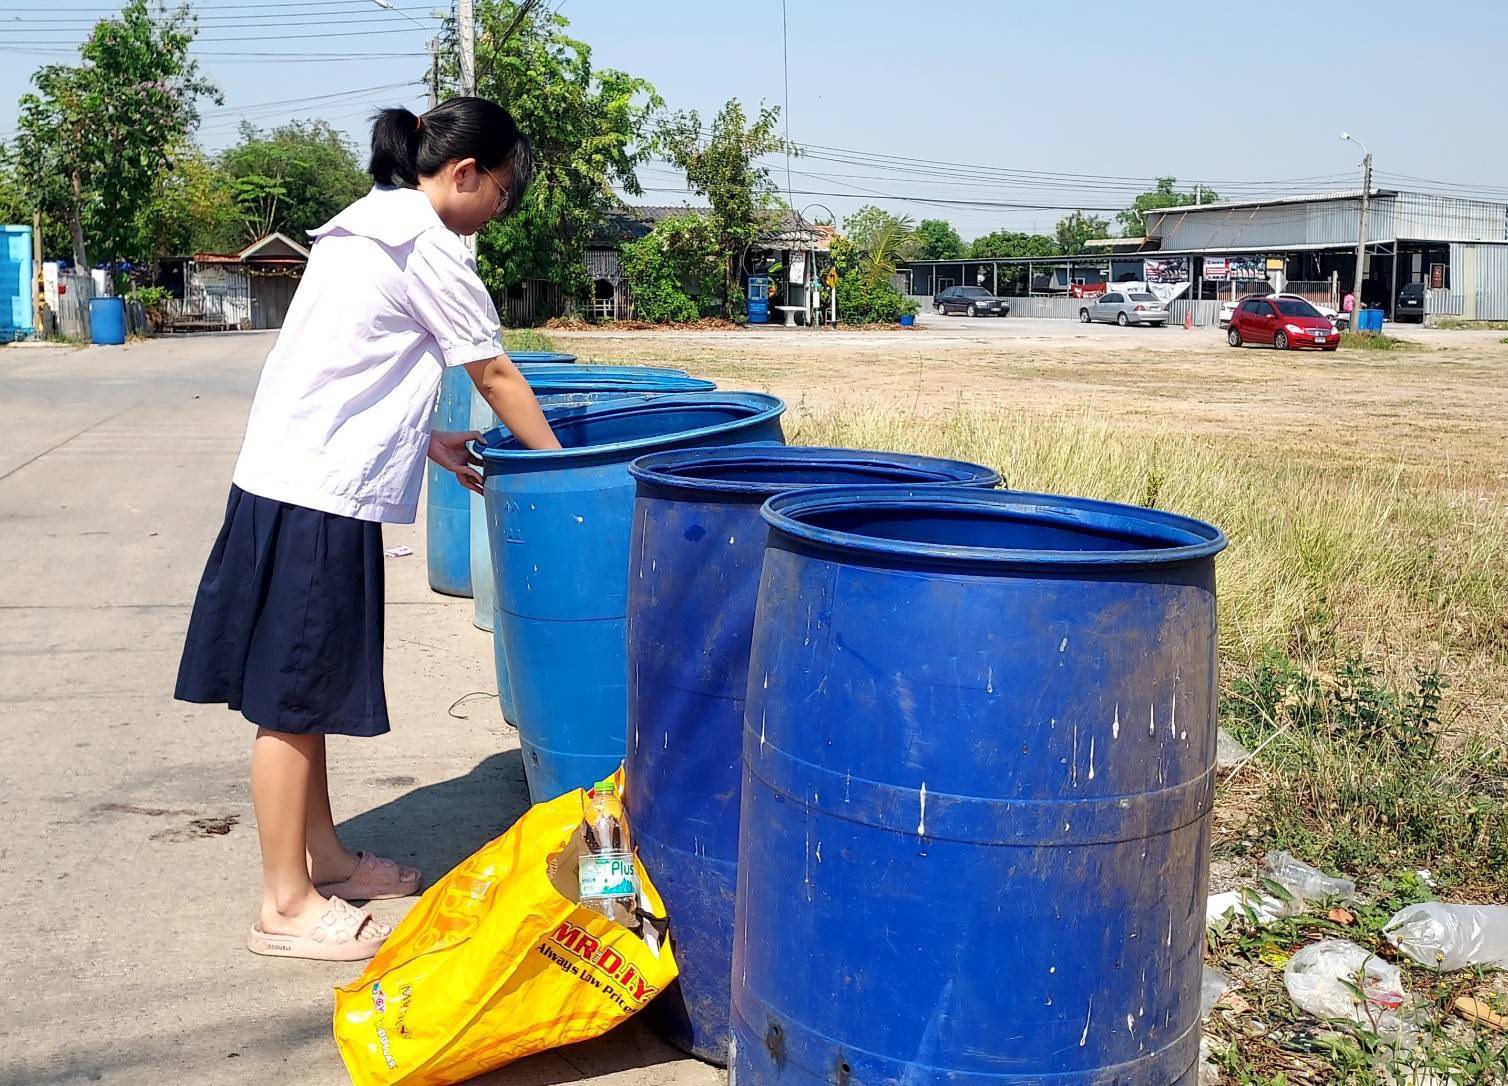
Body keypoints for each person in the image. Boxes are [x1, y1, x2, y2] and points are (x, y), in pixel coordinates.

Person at [175, 97, 561, 961]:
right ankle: (285, 905)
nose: (496, 212)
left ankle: (326, 860)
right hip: (318, 493)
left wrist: (425, 438)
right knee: (291, 698)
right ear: (464, 174)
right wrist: (564, 465)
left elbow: (343, 362)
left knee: (302, 690)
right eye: (499, 193)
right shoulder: (427, 244)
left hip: (293, 476)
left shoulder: (362, 226)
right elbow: (494, 371)